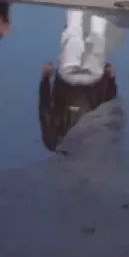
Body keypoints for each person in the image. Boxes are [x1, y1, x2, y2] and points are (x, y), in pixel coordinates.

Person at [38, 8, 120, 151]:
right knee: (73, 32)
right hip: (68, 80)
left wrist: (111, 80)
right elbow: (45, 110)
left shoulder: (96, 145)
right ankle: (78, 1)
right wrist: (45, 80)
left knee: (97, 36)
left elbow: (110, 110)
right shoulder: (53, 143)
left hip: (92, 82)